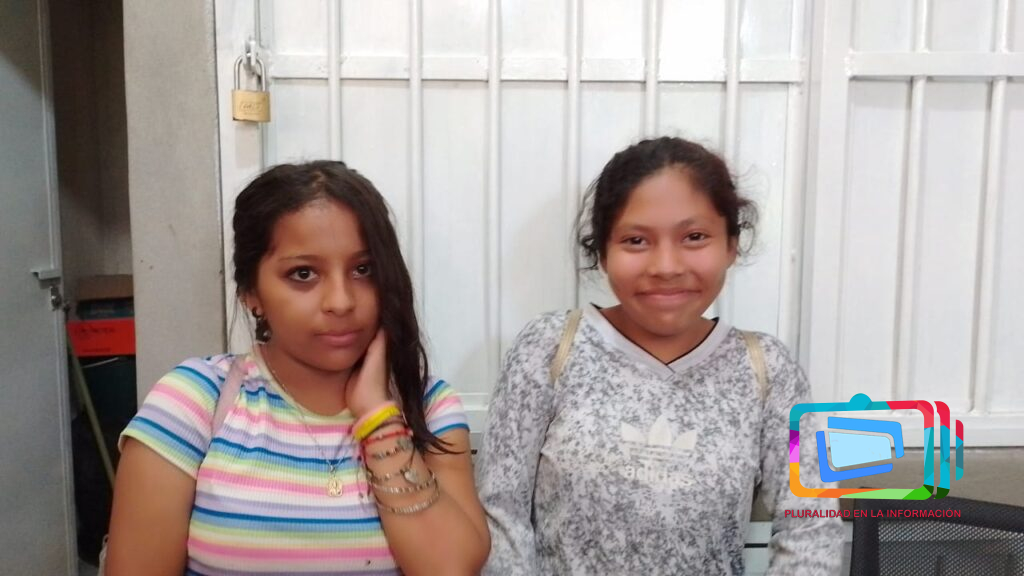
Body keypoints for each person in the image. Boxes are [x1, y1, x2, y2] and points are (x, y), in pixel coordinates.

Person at [477, 137, 843, 575]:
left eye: (694, 237)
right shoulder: (550, 348)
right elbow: (500, 513)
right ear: (603, 253)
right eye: (636, 240)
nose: (666, 266)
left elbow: (811, 524)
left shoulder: (769, 369)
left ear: (731, 244)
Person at [106, 161, 490, 575]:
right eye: (303, 274)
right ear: (251, 293)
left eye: (363, 269)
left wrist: (378, 418)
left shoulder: (428, 405)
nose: (341, 301)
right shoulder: (193, 402)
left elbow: (450, 568)